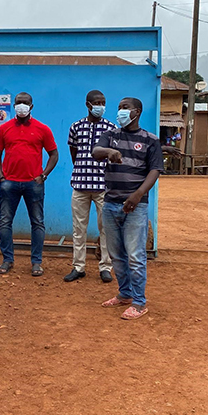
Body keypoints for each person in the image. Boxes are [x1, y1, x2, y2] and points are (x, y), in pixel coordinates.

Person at [93, 97, 164, 320]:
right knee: (116, 254)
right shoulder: (111, 136)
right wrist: (108, 153)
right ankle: (124, 293)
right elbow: (96, 151)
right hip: (111, 203)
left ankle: (139, 302)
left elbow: (154, 171)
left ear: (137, 112)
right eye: (119, 108)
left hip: (135, 207)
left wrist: (138, 194)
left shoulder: (150, 140)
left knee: (135, 255)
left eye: (125, 108)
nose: (121, 112)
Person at [0, 92, 59, 277]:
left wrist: (43, 175)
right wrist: (1, 177)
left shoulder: (42, 129)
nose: (22, 105)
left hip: (34, 183)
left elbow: (54, 154)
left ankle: (36, 262)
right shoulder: (3, 128)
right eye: (18, 102)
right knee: (5, 222)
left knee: (37, 222)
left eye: (25, 103)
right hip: (9, 183)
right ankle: (7, 259)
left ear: (32, 106)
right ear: (14, 105)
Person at [64, 90, 116, 283]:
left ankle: (105, 267)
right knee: (79, 228)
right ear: (88, 105)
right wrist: (81, 169)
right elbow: (73, 153)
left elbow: (113, 157)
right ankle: (79, 267)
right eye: (97, 103)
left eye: (103, 102)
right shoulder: (76, 127)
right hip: (79, 185)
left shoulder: (111, 128)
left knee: (106, 228)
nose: (100, 106)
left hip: (103, 187)